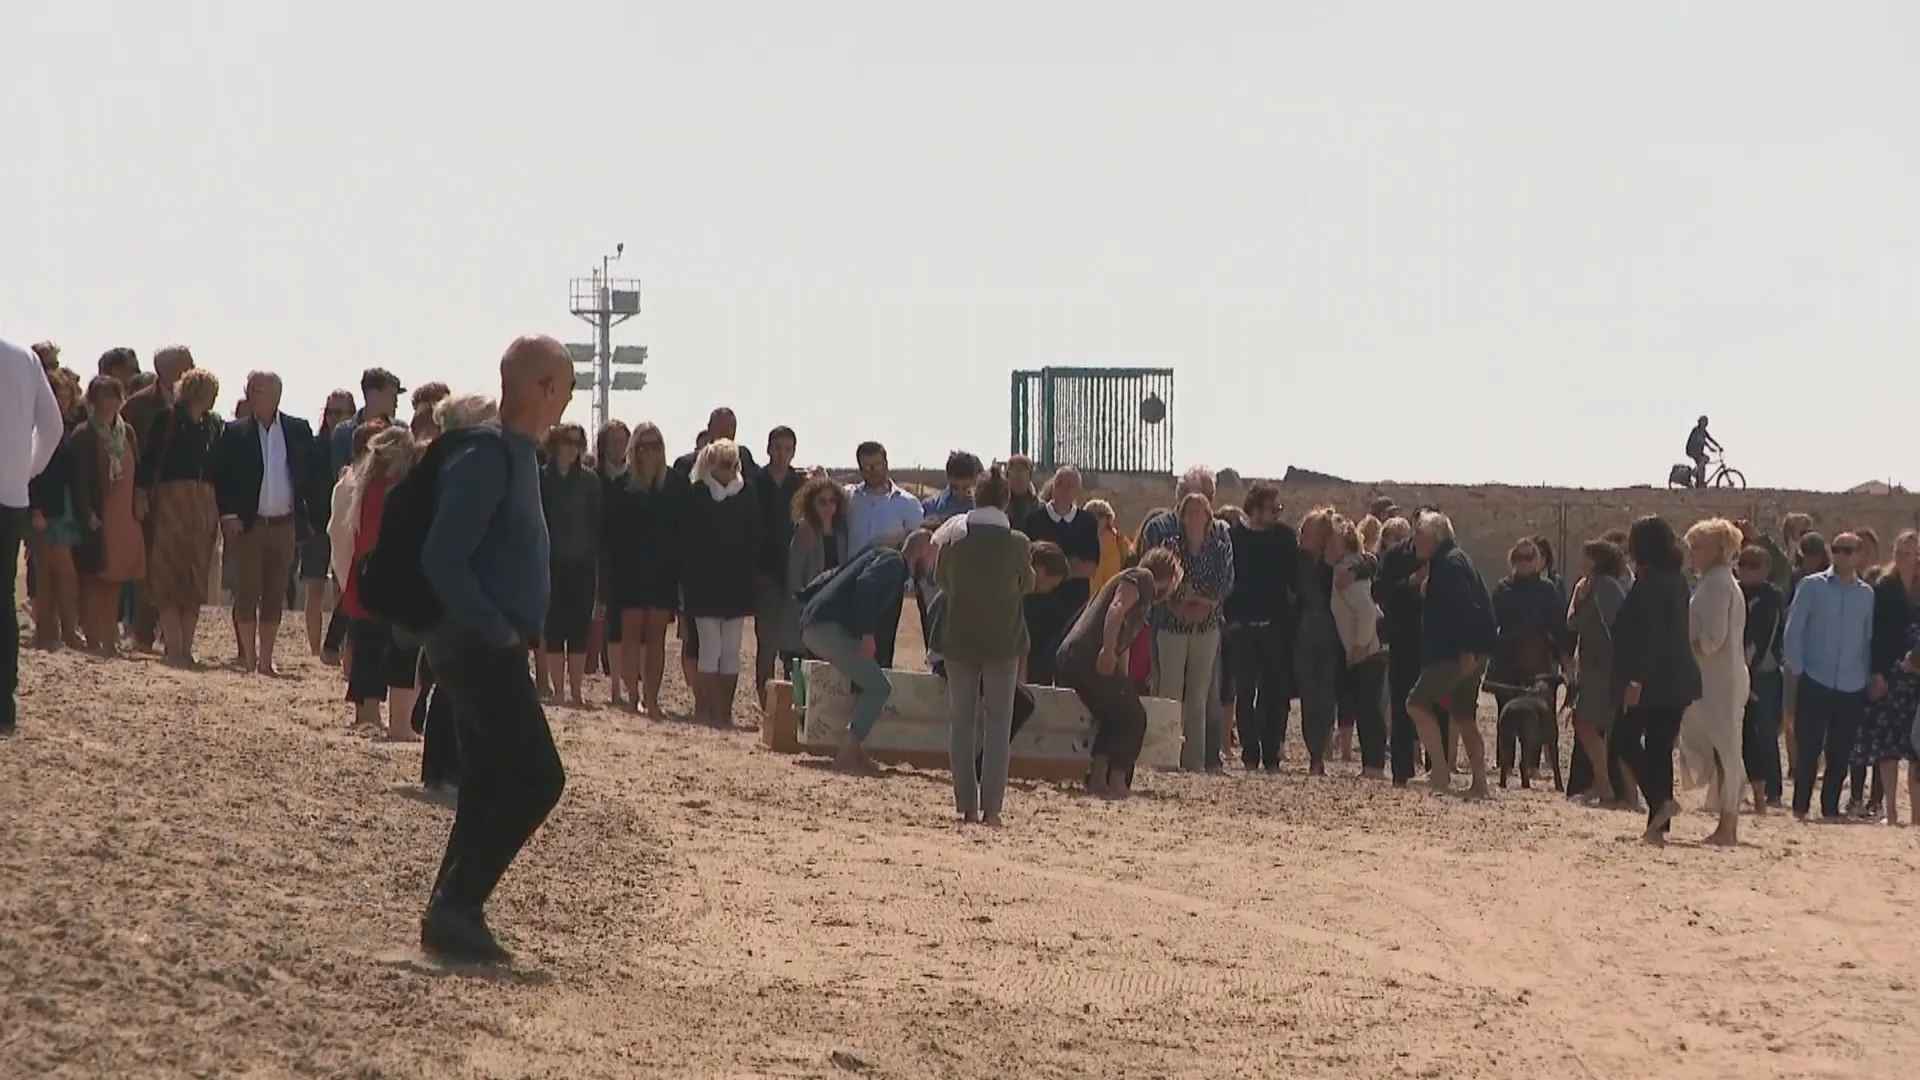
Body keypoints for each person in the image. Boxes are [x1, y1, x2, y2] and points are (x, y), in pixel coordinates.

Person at [417, 335, 571, 965]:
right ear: (544, 388)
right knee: (538, 777)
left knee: (486, 784)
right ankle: (458, 905)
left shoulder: (515, 455)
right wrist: (496, 626)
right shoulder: (489, 457)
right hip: (477, 646)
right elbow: (441, 558)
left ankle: (451, 915)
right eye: (563, 387)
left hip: (485, 645)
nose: (565, 401)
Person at [933, 465, 1035, 825]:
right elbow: (1028, 583)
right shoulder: (1018, 543)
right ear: (1006, 501)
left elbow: (940, 579)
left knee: (961, 722)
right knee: (998, 723)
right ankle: (993, 807)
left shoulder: (953, 538)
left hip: (959, 638)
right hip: (1002, 641)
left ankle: (966, 804)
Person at [800, 530, 935, 775]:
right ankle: (846, 756)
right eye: (933, 555)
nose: (932, 563)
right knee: (879, 688)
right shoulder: (894, 563)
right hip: (828, 628)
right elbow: (866, 585)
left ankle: (858, 752)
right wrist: (868, 634)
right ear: (924, 550)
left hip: (818, 623)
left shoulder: (883, 554)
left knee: (863, 684)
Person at [1057, 546, 1184, 797]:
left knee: (1115, 714)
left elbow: (1122, 642)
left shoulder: (1141, 600)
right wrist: (1106, 650)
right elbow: (1117, 608)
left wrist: (1121, 680)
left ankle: (1099, 779)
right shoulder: (1142, 578)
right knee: (1135, 717)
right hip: (1087, 657)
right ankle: (1116, 780)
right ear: (1169, 578)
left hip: (1073, 657)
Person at [213, 372, 318, 676]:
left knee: (275, 591)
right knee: (247, 590)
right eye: (250, 390)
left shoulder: (297, 430)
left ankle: (266, 659)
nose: (251, 395)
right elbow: (221, 476)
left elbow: (308, 474)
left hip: (284, 524)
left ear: (275, 394)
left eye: (257, 390)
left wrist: (306, 515)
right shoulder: (234, 432)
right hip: (249, 525)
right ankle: (247, 655)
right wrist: (228, 516)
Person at [1612, 515, 1703, 844]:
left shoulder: (1651, 584)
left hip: (1654, 680)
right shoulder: (1675, 580)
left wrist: (1636, 680)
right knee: (1659, 748)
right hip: (1676, 678)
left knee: (1623, 738)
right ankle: (1658, 825)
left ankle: (1659, 802)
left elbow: (1650, 637)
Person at [1404, 511, 1498, 796]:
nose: (1415, 542)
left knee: (1416, 703)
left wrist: (1465, 649)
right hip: (1468, 650)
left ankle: (1440, 772)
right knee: (1464, 715)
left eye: (1420, 536)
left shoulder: (1450, 564)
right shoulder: (1450, 560)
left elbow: (1465, 607)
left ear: (1436, 538)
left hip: (1455, 653)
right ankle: (1479, 782)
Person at [1783, 530, 1875, 821]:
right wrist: (1796, 668)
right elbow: (1794, 629)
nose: (1842, 554)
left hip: (1851, 681)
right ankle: (1799, 807)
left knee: (1841, 748)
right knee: (1808, 746)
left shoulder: (1867, 595)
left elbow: (1867, 637)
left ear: (1859, 554)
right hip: (1814, 677)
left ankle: (1830, 807)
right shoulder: (1812, 587)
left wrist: (1869, 675)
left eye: (1849, 550)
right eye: (1837, 548)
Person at [136, 368, 223, 667]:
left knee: (195, 574)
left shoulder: (213, 425)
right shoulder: (168, 419)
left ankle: (186, 647)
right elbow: (149, 460)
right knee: (168, 572)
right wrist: (142, 494)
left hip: (203, 504)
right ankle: (174, 647)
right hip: (171, 501)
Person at [1, 335, 66, 733]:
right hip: (10, 497)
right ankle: (3, 704)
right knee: (2, 598)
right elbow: (54, 426)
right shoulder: (23, 357)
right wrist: (26, 470)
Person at [337, 427, 420, 739]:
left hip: (365, 576)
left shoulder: (367, 485)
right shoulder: (386, 489)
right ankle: (370, 708)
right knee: (375, 646)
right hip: (381, 579)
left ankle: (364, 709)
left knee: (365, 644)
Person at [679, 437, 763, 725]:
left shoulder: (747, 493)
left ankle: (724, 710)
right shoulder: (697, 494)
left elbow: (754, 539)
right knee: (709, 649)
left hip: (736, 585)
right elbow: (687, 542)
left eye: (733, 463)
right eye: (724, 463)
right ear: (710, 463)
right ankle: (705, 707)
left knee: (731, 651)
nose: (729, 469)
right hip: (704, 585)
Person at [1679, 518, 1747, 846]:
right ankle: (1726, 820)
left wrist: (1681, 645)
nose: (1691, 554)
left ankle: (1728, 825)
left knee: (1726, 749)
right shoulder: (1715, 582)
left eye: (1698, 547)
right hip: (1715, 676)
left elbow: (1712, 639)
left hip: (1719, 679)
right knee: (1720, 747)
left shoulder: (1718, 585)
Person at [1155, 492, 1235, 772]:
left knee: (1199, 697)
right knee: (1170, 692)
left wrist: (1201, 603)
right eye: (1188, 512)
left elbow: (1223, 584)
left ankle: (1194, 760)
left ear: (1208, 517)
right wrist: (1181, 606)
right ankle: (1165, 757)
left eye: (1199, 512)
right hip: (1172, 626)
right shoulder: (1170, 546)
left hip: (1207, 627)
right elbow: (1167, 584)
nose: (1193, 517)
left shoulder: (1220, 547)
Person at [68, 376, 148, 655]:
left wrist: (140, 499)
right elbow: (78, 480)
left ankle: (109, 638)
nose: (110, 402)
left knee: (116, 578)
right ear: (93, 400)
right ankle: (92, 636)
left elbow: (140, 471)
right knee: (94, 578)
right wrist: (86, 512)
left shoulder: (127, 433)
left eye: (115, 395)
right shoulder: (84, 434)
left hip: (124, 514)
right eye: (104, 396)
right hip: (99, 514)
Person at [604, 422, 680, 716]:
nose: (650, 452)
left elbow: (681, 530)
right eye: (643, 446)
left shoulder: (673, 484)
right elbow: (611, 535)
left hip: (663, 571)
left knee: (656, 637)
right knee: (631, 635)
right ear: (634, 450)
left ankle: (652, 698)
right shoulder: (622, 486)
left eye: (656, 446)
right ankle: (633, 693)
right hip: (629, 571)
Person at [1222, 482, 1297, 773]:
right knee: (1245, 691)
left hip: (1275, 626)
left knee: (1275, 693)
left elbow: (1293, 584)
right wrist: (1233, 620)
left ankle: (1271, 754)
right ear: (1253, 509)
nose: (1277, 514)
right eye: (1271, 509)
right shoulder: (1234, 539)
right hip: (1243, 627)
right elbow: (1228, 581)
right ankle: (1250, 753)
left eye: (1279, 508)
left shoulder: (1284, 539)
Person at [1856, 529, 1920, 825]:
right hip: (1892, 673)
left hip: (1917, 673)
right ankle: (1891, 810)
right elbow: (1876, 635)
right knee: (1888, 744)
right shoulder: (1883, 586)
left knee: (1916, 747)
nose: (1901, 557)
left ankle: (1917, 814)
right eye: (1898, 551)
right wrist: (1878, 672)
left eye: (1908, 552)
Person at [842, 440, 924, 667]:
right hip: (851, 582)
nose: (872, 472)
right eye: (866, 467)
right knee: (851, 649)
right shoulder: (848, 498)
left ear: (886, 463)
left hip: (888, 585)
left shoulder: (908, 504)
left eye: (876, 466)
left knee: (882, 647)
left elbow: (917, 543)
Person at [538, 423, 602, 708]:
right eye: (568, 442)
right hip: (549, 563)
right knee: (553, 628)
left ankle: (576, 691)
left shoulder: (589, 481)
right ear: (555, 445)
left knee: (578, 627)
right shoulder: (540, 479)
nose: (573, 448)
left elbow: (598, 522)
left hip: (582, 564)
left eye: (578, 443)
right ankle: (558, 691)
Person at [1566, 539, 1633, 807]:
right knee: (1588, 724)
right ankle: (1604, 783)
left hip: (1605, 668)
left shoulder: (1607, 588)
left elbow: (1617, 628)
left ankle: (1609, 785)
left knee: (1587, 722)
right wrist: (1579, 598)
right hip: (1592, 668)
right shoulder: (1590, 586)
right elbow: (1572, 623)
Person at [1018, 466, 1099, 686]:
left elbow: (1090, 567)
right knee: (1037, 667)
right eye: (1059, 484)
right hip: (1037, 606)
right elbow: (1030, 562)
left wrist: (1057, 571)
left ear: (1078, 491)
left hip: (1074, 607)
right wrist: (1069, 566)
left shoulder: (1087, 523)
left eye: (1069, 485)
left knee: (1067, 665)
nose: (1063, 490)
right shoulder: (1034, 519)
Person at [28, 368, 86, 651]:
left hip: (62, 506)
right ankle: (56, 630)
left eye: (64, 398)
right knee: (54, 571)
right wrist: (36, 508)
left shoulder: (63, 428)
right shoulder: (37, 429)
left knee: (55, 571)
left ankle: (56, 630)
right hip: (46, 506)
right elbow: (33, 472)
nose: (61, 403)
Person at [1325, 514, 1387, 777]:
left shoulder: (1347, 570)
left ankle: (1374, 765)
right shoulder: (1348, 567)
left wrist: (1361, 645)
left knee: (1370, 709)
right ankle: (1372, 764)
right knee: (1366, 707)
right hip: (1363, 650)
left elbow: (1366, 611)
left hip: (1368, 651)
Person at [752, 426, 804, 706]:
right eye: (778, 447)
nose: (782, 454)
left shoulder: (800, 485)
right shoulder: (756, 483)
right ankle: (765, 698)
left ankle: (795, 699)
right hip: (765, 573)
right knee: (767, 641)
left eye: (788, 449)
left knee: (795, 643)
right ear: (769, 448)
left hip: (795, 572)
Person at [305, 391, 356, 659]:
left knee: (344, 587)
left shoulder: (355, 444)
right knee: (314, 587)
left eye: (340, 412)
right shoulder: (316, 446)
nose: (334, 418)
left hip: (343, 524)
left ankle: (341, 645)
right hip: (317, 522)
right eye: (330, 412)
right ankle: (315, 649)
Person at [783, 474, 849, 680]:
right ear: (812, 503)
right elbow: (794, 575)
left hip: (833, 613)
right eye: (822, 501)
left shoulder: (841, 532)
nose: (828, 506)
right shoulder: (805, 529)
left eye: (832, 501)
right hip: (807, 612)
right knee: (799, 677)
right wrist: (801, 610)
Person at [1737, 544, 1786, 811]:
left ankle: (1773, 791)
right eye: (1743, 563)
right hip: (1737, 672)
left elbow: (1763, 638)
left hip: (1763, 674)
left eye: (1753, 565)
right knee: (1741, 733)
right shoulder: (1735, 592)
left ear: (1766, 569)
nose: (1746, 570)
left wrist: (1751, 672)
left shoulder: (1771, 597)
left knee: (1766, 733)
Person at [590, 420, 632, 704]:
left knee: (626, 624)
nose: (619, 446)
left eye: (623, 440)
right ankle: (604, 681)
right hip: (600, 558)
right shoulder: (594, 478)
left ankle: (625, 687)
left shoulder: (635, 478)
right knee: (602, 620)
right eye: (613, 441)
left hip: (631, 558)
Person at [330, 367, 404, 473]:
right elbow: (341, 476)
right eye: (392, 396)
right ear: (374, 395)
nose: (396, 403)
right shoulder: (343, 433)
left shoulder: (401, 431)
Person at [1685, 415, 1721, 487]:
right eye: (1704, 422)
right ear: (1700, 422)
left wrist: (1718, 446)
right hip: (1692, 450)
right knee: (1702, 461)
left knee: (1704, 462)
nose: (1705, 423)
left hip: (1699, 452)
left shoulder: (1704, 431)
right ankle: (1694, 474)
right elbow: (1701, 440)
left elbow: (1710, 439)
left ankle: (1699, 480)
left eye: (1706, 422)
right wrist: (1710, 448)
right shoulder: (1696, 430)